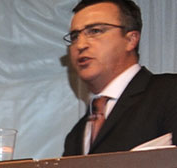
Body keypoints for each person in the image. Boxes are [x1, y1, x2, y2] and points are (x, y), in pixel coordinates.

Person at [61, 0, 177, 156]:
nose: (80, 45)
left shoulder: (169, 93)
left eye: (95, 31)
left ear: (130, 39)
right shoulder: (76, 135)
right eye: (75, 36)